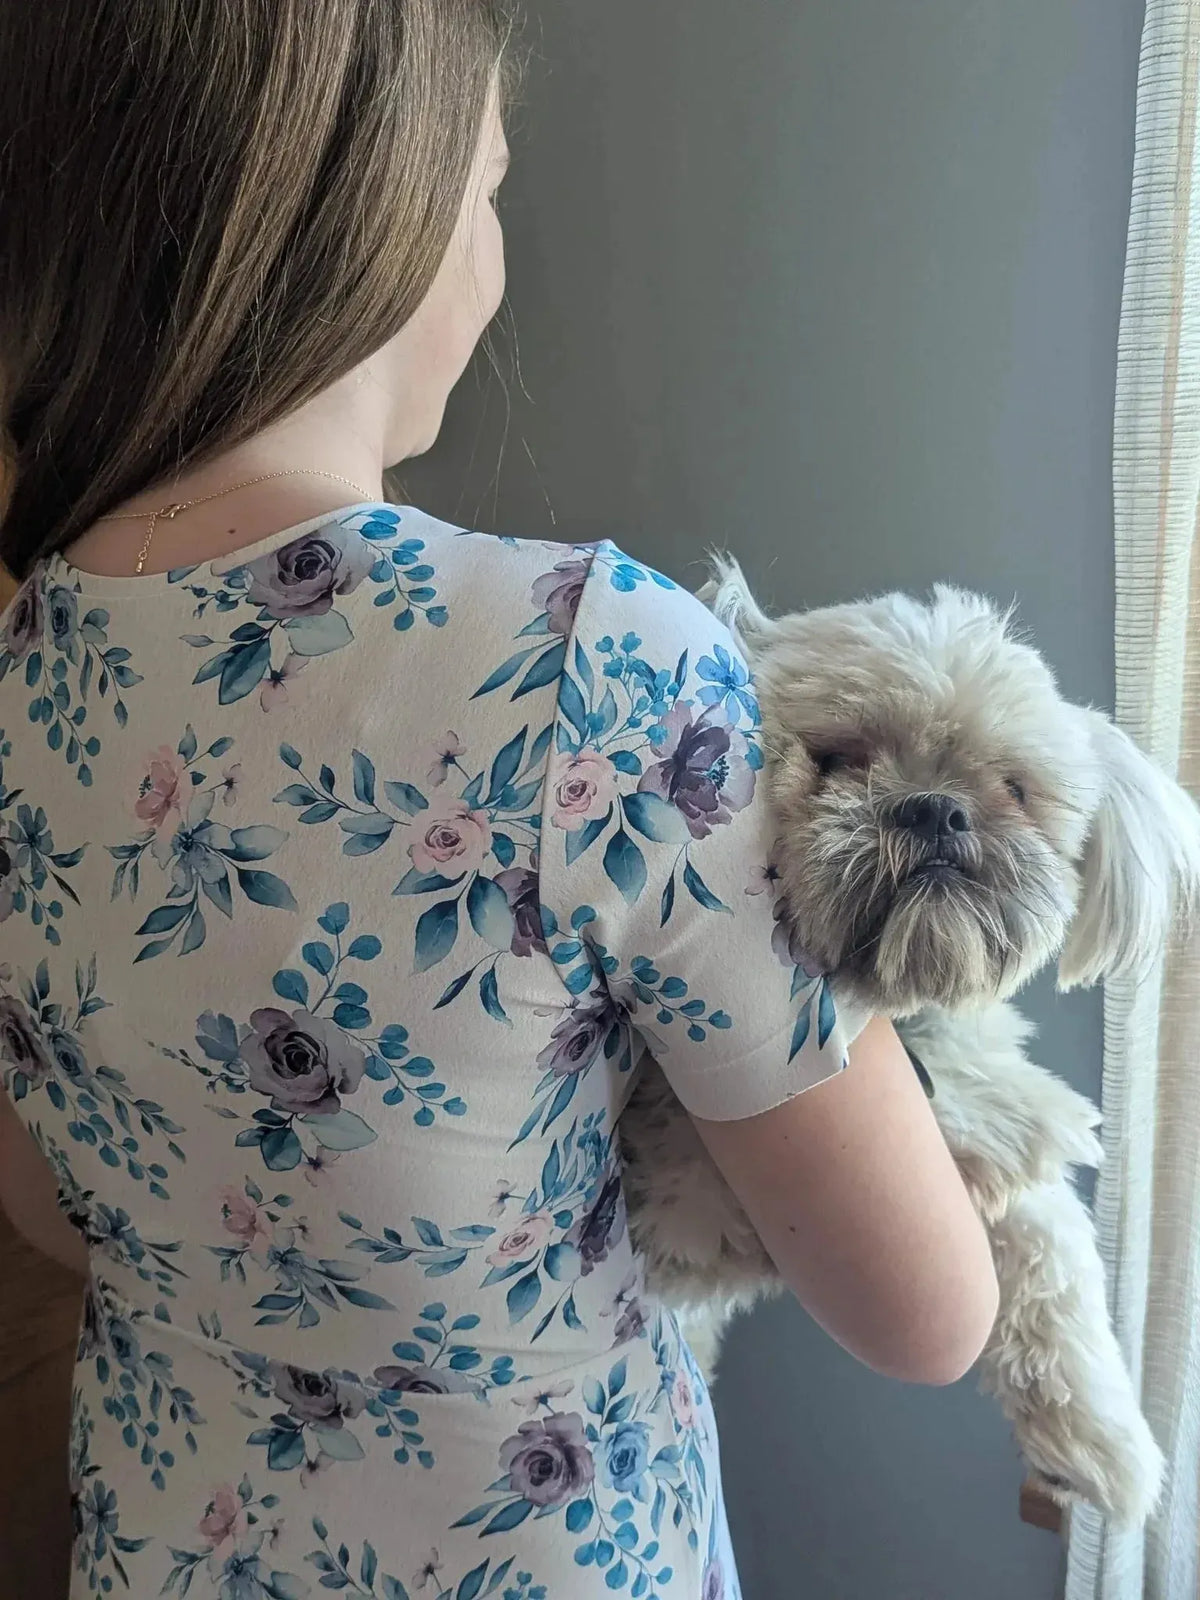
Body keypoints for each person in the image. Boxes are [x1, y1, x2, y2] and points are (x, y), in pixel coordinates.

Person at [0, 5, 998, 1596]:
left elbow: (56, 1207)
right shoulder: (595, 663)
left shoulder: (22, 662)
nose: (496, 252)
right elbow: (925, 1310)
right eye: (491, 191)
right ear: (381, 223)